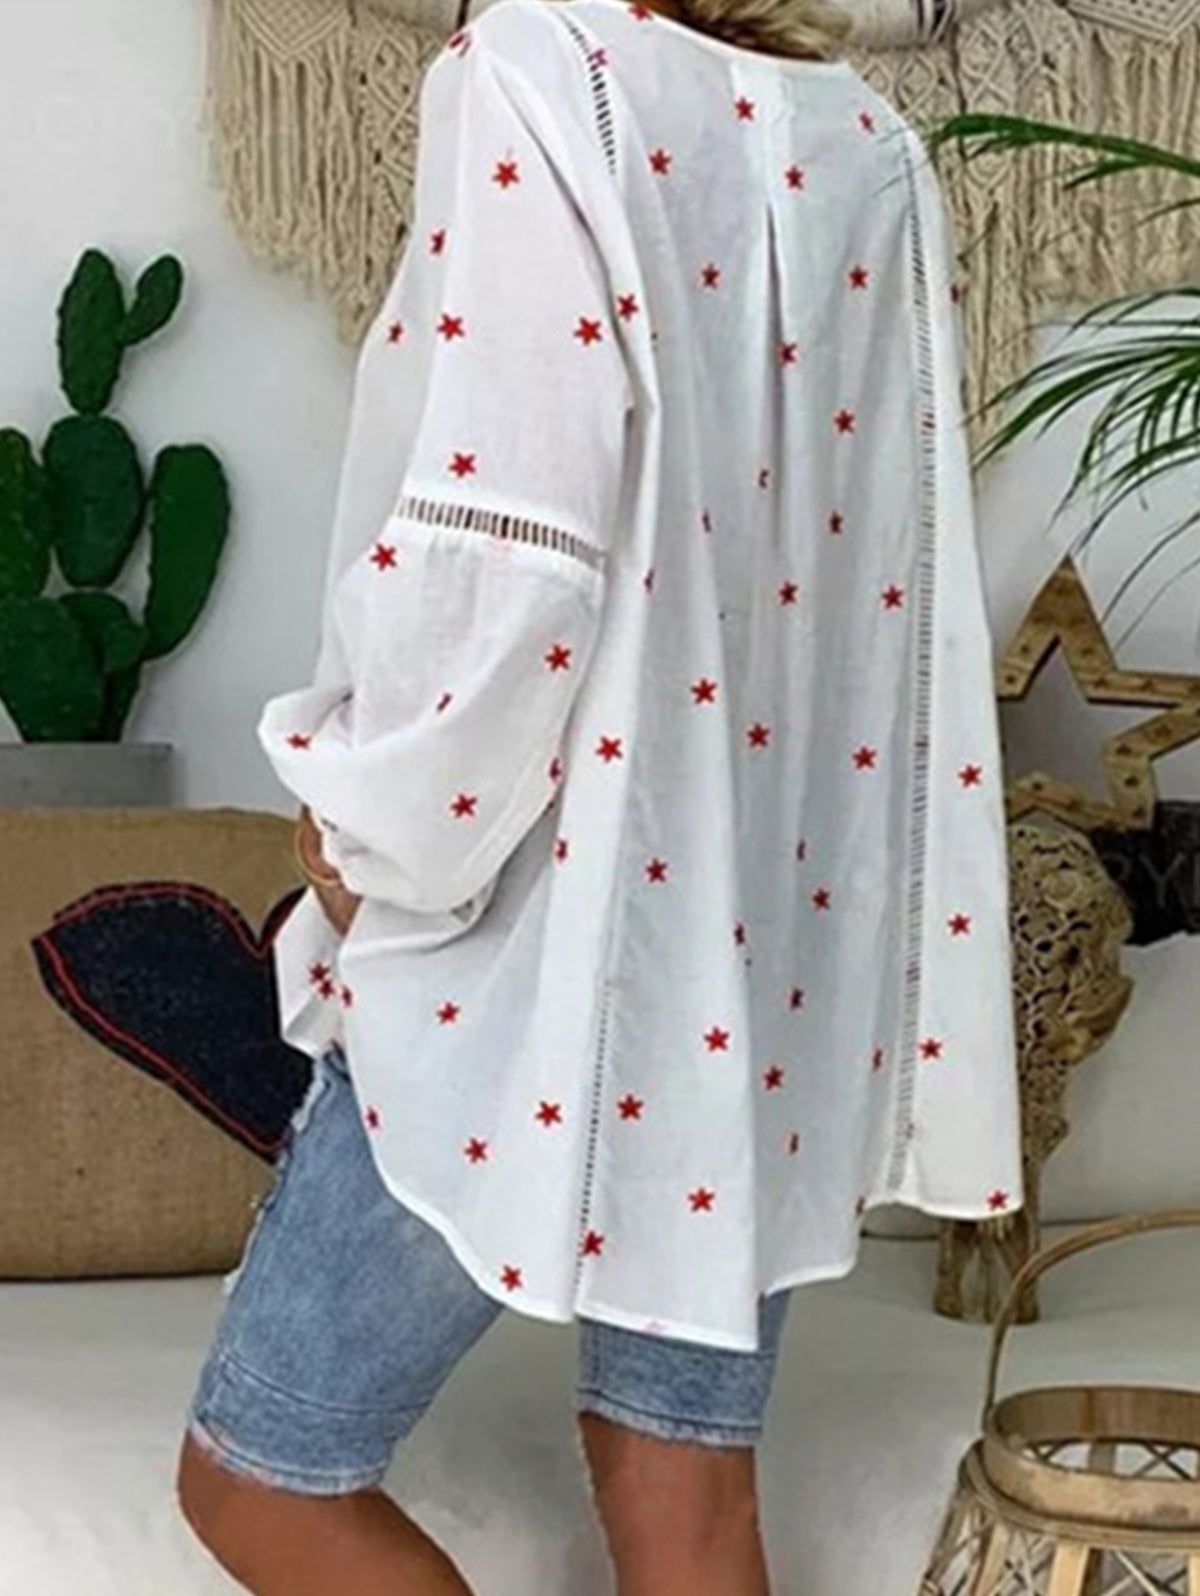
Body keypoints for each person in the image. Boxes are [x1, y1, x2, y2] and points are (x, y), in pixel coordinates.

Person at [176, 0, 1024, 1590]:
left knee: (261, 1478)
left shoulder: (537, 72)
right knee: (681, 1493)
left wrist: (382, 832)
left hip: (537, 947)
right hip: (762, 963)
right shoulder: (868, 144)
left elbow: (512, 543)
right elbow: (887, 597)